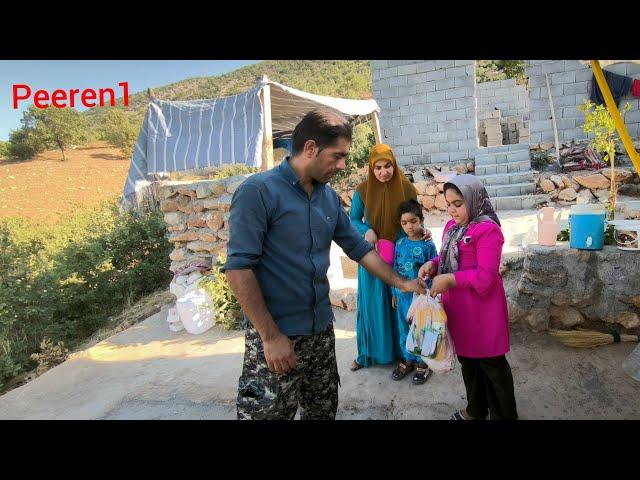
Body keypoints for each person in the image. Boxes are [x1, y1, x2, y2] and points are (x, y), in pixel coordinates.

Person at [223, 109, 426, 420]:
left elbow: (359, 249)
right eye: (338, 156)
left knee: (322, 412)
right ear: (310, 148)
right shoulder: (258, 192)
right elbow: (239, 269)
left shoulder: (328, 199)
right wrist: (270, 337)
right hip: (278, 336)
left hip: (320, 333)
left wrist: (401, 282)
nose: (343, 165)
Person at [418, 174, 518, 420]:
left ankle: (503, 415)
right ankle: (475, 410)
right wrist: (433, 264)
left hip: (483, 313)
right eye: (448, 204)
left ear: (474, 200)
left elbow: (486, 276)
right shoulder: (452, 227)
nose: (452, 210)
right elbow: (448, 258)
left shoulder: (488, 231)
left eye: (458, 204)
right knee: (469, 364)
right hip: (459, 311)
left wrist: (451, 279)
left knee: (493, 367)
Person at [349, 144, 431, 372]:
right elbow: (352, 218)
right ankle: (368, 354)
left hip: (403, 257)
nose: (383, 172)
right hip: (372, 255)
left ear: (394, 165)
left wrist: (423, 230)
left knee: (403, 306)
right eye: (378, 167)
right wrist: (366, 229)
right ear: (371, 168)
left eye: (388, 166)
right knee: (372, 305)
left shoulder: (406, 188)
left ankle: (405, 354)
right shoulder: (362, 190)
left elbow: (416, 217)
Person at [390, 199, 438, 384]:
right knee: (404, 329)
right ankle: (408, 359)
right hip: (401, 296)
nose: (409, 226)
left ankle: (422, 364)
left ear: (421, 220)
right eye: (404, 223)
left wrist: (431, 293)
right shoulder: (400, 243)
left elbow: (435, 267)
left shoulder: (428, 245)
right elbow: (394, 269)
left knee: (421, 330)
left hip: (420, 298)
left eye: (413, 221)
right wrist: (393, 292)